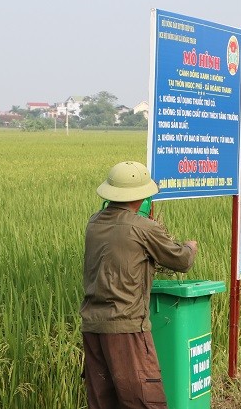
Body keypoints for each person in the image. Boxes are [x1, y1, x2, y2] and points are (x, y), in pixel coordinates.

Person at [81, 160, 198, 409]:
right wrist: (190, 246)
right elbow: (182, 261)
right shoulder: (142, 227)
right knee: (144, 400)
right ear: (142, 195)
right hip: (126, 328)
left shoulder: (94, 222)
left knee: (103, 401)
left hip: (92, 326)